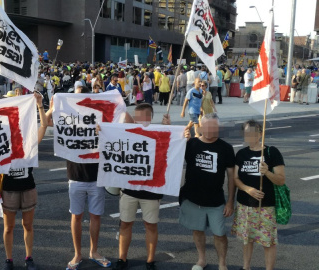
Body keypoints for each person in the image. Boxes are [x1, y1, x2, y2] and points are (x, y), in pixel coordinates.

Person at [45, 86, 111, 270]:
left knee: (95, 216)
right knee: (76, 216)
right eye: (74, 95)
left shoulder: (99, 117)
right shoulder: (67, 118)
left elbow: (123, 124)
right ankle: (77, 254)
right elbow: (45, 122)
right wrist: (52, 108)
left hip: (96, 177)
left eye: (81, 94)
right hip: (75, 177)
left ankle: (94, 251)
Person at [111, 104, 171, 270]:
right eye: (136, 117)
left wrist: (169, 128)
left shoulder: (159, 134)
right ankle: (122, 259)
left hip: (151, 191)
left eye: (141, 117)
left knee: (150, 225)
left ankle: (150, 261)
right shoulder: (127, 134)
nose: (138, 120)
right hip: (129, 189)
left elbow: (173, 147)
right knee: (125, 224)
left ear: (149, 118)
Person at [179, 113, 236, 270]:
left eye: (214, 126)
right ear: (201, 127)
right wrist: (175, 133)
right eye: (207, 126)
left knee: (220, 234)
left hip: (216, 200)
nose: (210, 130)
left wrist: (230, 201)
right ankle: (201, 259)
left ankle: (222, 264)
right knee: (197, 231)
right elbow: (168, 150)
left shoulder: (226, 148)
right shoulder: (190, 144)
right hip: (192, 198)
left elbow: (232, 177)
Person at [1, 92, 48, 270]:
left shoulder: (28, 142)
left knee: (28, 225)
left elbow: (43, 125)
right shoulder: (0, 142)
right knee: (8, 228)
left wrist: (40, 105)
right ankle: (9, 260)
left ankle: (29, 258)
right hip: (8, 189)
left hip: (28, 188)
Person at [230, 120, 285, 270]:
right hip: (245, 205)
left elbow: (281, 180)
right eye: (247, 133)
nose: (250, 136)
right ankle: (245, 267)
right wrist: (247, 189)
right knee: (247, 240)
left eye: (253, 133)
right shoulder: (241, 154)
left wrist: (267, 172)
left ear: (260, 134)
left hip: (265, 207)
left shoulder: (271, 152)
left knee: (268, 242)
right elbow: (235, 178)